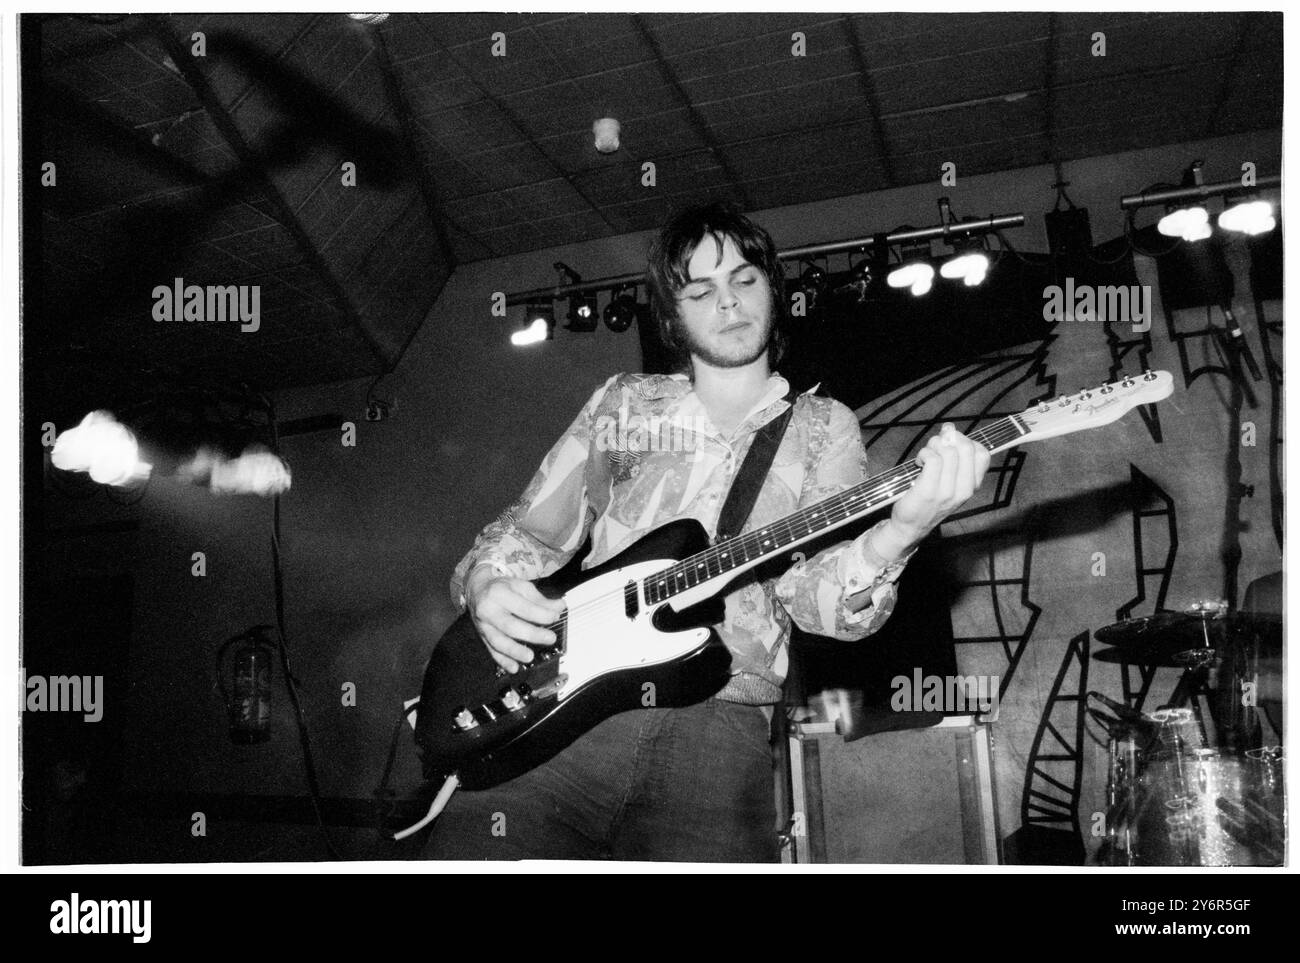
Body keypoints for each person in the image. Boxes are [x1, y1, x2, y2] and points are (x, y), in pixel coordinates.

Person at [424, 201, 990, 861]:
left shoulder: (823, 426)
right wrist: (489, 582)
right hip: (567, 712)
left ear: (773, 293)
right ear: (673, 315)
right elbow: (531, 532)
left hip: (723, 726)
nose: (729, 301)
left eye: (745, 280)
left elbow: (818, 601)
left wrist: (902, 533)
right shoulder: (627, 403)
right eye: (701, 289)